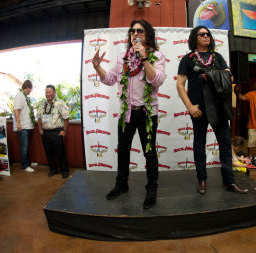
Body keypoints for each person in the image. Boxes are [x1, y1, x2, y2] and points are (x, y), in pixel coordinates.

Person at [93, 20, 166, 209]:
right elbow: (110, 79)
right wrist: (97, 68)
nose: (135, 34)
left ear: (147, 34)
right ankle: (121, 184)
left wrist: (143, 57)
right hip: (126, 113)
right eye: (132, 31)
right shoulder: (122, 57)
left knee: (149, 153)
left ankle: (152, 189)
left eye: (139, 31)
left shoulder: (156, 55)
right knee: (123, 150)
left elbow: (156, 80)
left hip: (147, 113)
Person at [177, 26, 248, 195]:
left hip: (218, 107)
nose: (206, 36)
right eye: (202, 34)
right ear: (195, 38)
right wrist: (190, 106)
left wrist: (211, 75)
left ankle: (229, 181)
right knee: (199, 145)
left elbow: (229, 77)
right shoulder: (187, 59)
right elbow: (180, 85)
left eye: (208, 34)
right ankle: (202, 180)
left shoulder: (217, 57)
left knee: (225, 145)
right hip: (198, 109)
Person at [37, 85, 70, 179]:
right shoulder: (42, 103)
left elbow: (66, 118)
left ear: (54, 92)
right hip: (45, 132)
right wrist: (40, 129)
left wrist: (64, 130)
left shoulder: (60, 103)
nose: (48, 94)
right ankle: (53, 169)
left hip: (56, 132)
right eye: (46, 92)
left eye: (49, 92)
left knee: (60, 152)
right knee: (48, 152)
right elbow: (39, 117)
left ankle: (65, 170)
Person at [13, 80, 37, 173]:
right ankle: (25, 165)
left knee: (26, 146)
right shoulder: (19, 95)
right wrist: (18, 123)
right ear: (27, 88)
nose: (30, 92)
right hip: (22, 126)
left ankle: (28, 162)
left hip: (27, 126)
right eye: (30, 90)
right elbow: (16, 110)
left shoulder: (25, 96)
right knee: (24, 147)